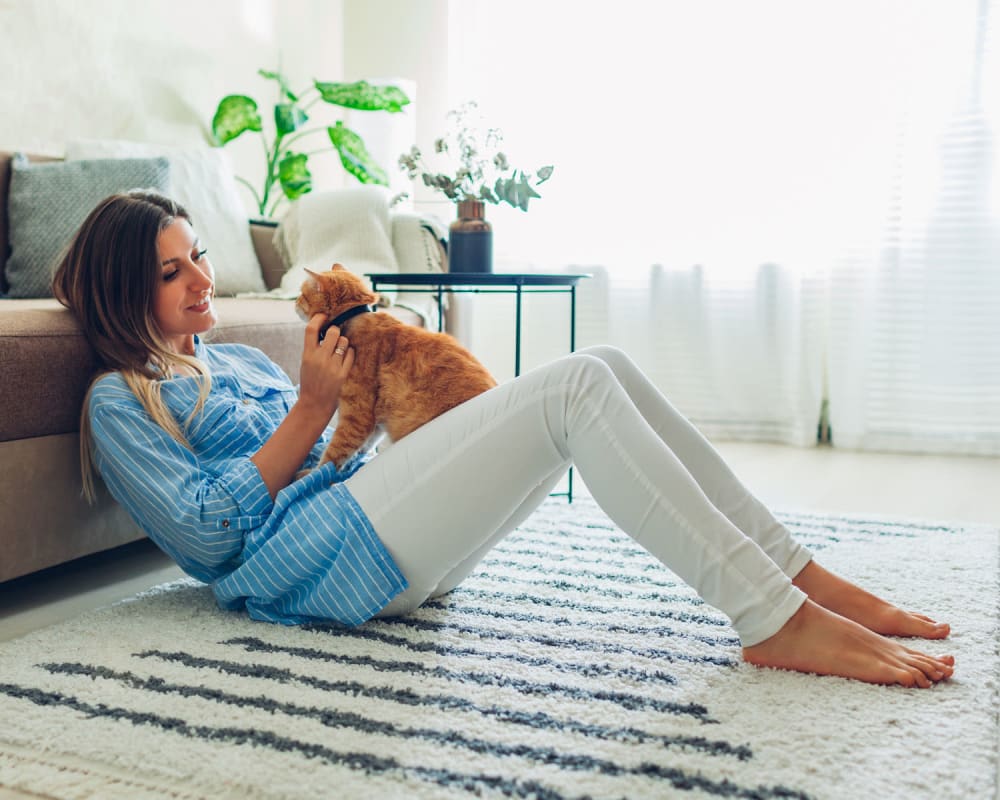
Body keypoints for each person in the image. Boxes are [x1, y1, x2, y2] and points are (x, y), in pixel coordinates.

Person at [53, 190, 955, 689]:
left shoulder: (235, 361)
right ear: (121, 292)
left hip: (366, 525)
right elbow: (209, 540)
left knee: (599, 363)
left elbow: (335, 445)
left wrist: (375, 397)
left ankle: (800, 579)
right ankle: (776, 621)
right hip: (312, 569)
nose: (202, 278)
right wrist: (309, 413)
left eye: (198, 254)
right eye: (171, 271)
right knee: (576, 387)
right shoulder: (117, 403)